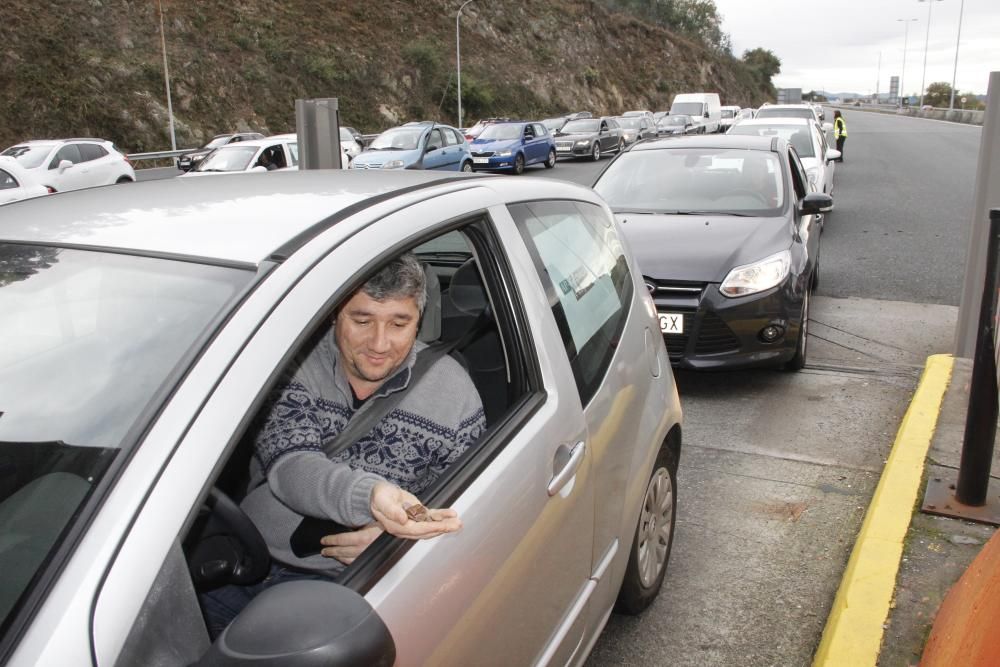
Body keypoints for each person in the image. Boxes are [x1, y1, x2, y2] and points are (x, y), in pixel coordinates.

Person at [200, 253, 486, 637]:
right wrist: (372, 497)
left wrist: (394, 541)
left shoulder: (456, 396)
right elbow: (291, 463)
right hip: (245, 557)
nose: (379, 344)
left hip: (347, 585)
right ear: (335, 313)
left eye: (399, 324)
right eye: (362, 320)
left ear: (418, 321)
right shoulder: (293, 364)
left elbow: (465, 504)